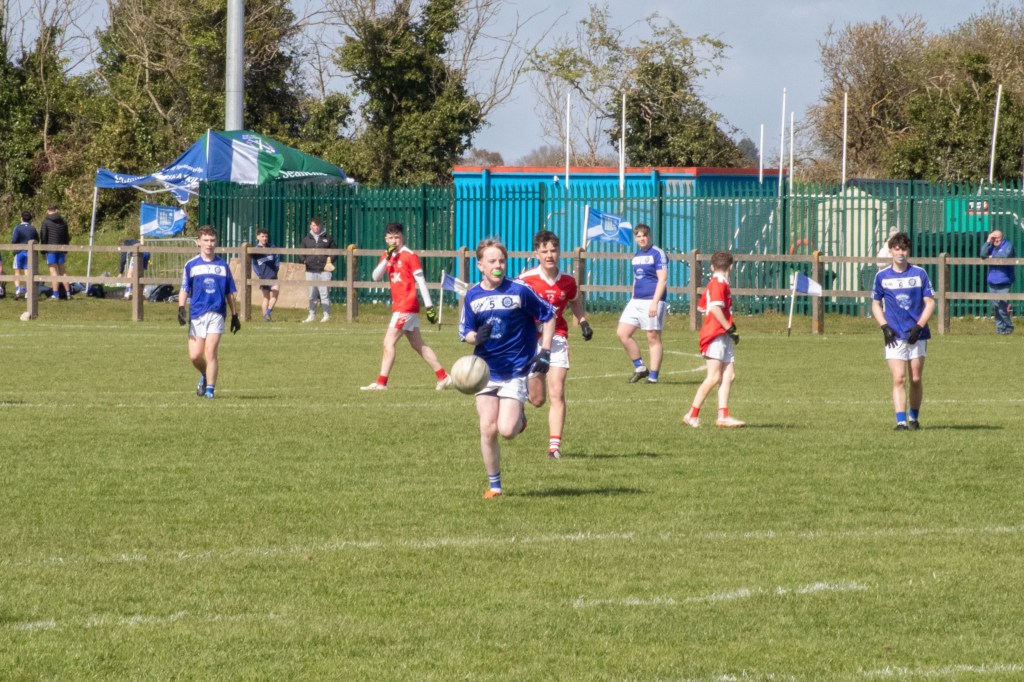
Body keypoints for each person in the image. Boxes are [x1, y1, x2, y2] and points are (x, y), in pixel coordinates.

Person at [460, 238, 556, 498]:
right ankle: (495, 486)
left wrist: (545, 351)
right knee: (487, 428)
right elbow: (465, 331)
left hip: (515, 370)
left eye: (501, 261)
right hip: (485, 371)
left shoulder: (519, 290)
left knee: (507, 430)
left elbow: (549, 315)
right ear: (480, 265)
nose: (498, 265)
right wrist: (475, 337)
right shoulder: (473, 295)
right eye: (492, 261)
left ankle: (519, 417)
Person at [518, 229, 592, 459]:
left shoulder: (568, 281)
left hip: (558, 338)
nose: (549, 255)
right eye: (544, 251)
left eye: (553, 250)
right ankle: (519, 409)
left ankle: (554, 448)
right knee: (538, 400)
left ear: (559, 252)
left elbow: (574, 301)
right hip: (531, 340)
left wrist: (583, 321)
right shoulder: (525, 280)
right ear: (537, 254)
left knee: (557, 391)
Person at [362, 222, 452, 391]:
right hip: (400, 306)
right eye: (391, 238)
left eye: (397, 237)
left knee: (388, 342)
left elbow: (421, 281)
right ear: (386, 239)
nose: (394, 241)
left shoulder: (410, 255)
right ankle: (443, 377)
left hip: (406, 305)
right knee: (418, 345)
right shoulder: (387, 255)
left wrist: (430, 307)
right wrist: (387, 258)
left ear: (402, 237)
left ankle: (381, 383)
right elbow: (375, 276)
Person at [871, 231, 935, 431]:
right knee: (899, 378)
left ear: (908, 251)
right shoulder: (882, 276)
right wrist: (884, 327)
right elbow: (875, 304)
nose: (900, 253)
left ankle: (913, 418)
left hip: (917, 333)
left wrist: (919, 326)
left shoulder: (919, 273)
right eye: (897, 249)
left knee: (915, 378)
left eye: (904, 249)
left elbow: (930, 302)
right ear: (890, 251)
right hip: (895, 335)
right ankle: (900, 422)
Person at [682, 250, 745, 428]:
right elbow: (715, 309)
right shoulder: (718, 283)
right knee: (714, 377)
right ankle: (691, 415)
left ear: (711, 266)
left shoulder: (718, 283)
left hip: (722, 334)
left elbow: (703, 307)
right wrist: (728, 327)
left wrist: (729, 328)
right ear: (731, 267)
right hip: (715, 335)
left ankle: (723, 416)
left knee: (729, 375)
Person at [178, 225, 240, 399]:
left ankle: (210, 391)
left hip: (217, 313)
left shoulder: (223, 266)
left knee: (210, 351)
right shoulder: (191, 265)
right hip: (197, 313)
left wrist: (234, 315)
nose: (209, 244)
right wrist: (181, 308)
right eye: (205, 240)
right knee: (195, 356)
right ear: (199, 242)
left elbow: (229, 292)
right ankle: (205, 375)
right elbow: (184, 288)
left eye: (212, 240)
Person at [616, 223, 668, 383]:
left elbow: (662, 279)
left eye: (644, 235)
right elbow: (636, 278)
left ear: (649, 236)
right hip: (636, 300)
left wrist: (654, 303)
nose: (641, 238)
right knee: (623, 333)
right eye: (638, 236)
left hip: (652, 300)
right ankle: (640, 368)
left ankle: (653, 377)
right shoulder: (637, 255)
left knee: (652, 337)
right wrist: (633, 296)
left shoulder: (658, 253)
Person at [299, 216, 337, 323]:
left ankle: (326, 315)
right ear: (310, 226)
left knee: (324, 293)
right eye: (313, 225)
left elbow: (335, 252)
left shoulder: (328, 238)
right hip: (310, 270)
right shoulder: (306, 239)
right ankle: (311, 315)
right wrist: (304, 261)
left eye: (317, 225)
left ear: (321, 226)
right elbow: (300, 252)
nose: (315, 227)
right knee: (312, 294)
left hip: (324, 271)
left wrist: (330, 261)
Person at [980, 229, 1015, 335]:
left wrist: (992, 257)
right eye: (994, 238)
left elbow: (1004, 255)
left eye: (998, 237)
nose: (996, 240)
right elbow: (982, 254)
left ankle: (1009, 327)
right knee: (996, 308)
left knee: (1002, 308)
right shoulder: (991, 246)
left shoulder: (1008, 245)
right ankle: (1000, 329)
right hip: (992, 281)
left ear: (1002, 238)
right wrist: (988, 240)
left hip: (1004, 281)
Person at [39, 204, 71, 300]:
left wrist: (43, 251)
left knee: (53, 271)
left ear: (48, 210)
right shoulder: (63, 221)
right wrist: (65, 249)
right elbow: (66, 236)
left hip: (51, 249)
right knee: (63, 271)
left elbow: (43, 236)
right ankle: (68, 293)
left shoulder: (46, 222)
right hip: (61, 249)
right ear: (56, 210)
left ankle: (56, 294)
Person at [251, 228, 280, 322]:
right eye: (262, 236)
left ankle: (268, 312)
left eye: (266, 236)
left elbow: (277, 258)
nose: (264, 238)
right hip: (263, 276)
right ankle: (265, 318)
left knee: (276, 292)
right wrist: (260, 274)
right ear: (257, 237)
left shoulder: (272, 247)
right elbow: (254, 264)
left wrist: (276, 269)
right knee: (266, 297)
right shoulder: (255, 250)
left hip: (273, 275)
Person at [11, 211, 38, 300]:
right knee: (27, 271)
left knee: (17, 271)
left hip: (19, 252)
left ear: (21, 218)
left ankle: (18, 290)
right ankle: (27, 292)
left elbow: (13, 240)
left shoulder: (17, 228)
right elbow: (37, 239)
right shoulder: (33, 228)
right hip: (29, 252)